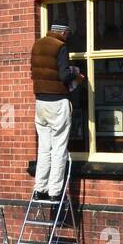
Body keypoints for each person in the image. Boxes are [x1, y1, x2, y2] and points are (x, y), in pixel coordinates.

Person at [30, 23, 85, 201]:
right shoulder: (60, 46)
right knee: (59, 147)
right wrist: (76, 75)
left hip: (40, 103)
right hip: (57, 102)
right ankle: (55, 191)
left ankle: (40, 188)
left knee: (44, 148)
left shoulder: (37, 44)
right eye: (68, 33)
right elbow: (63, 75)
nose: (68, 37)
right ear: (63, 32)